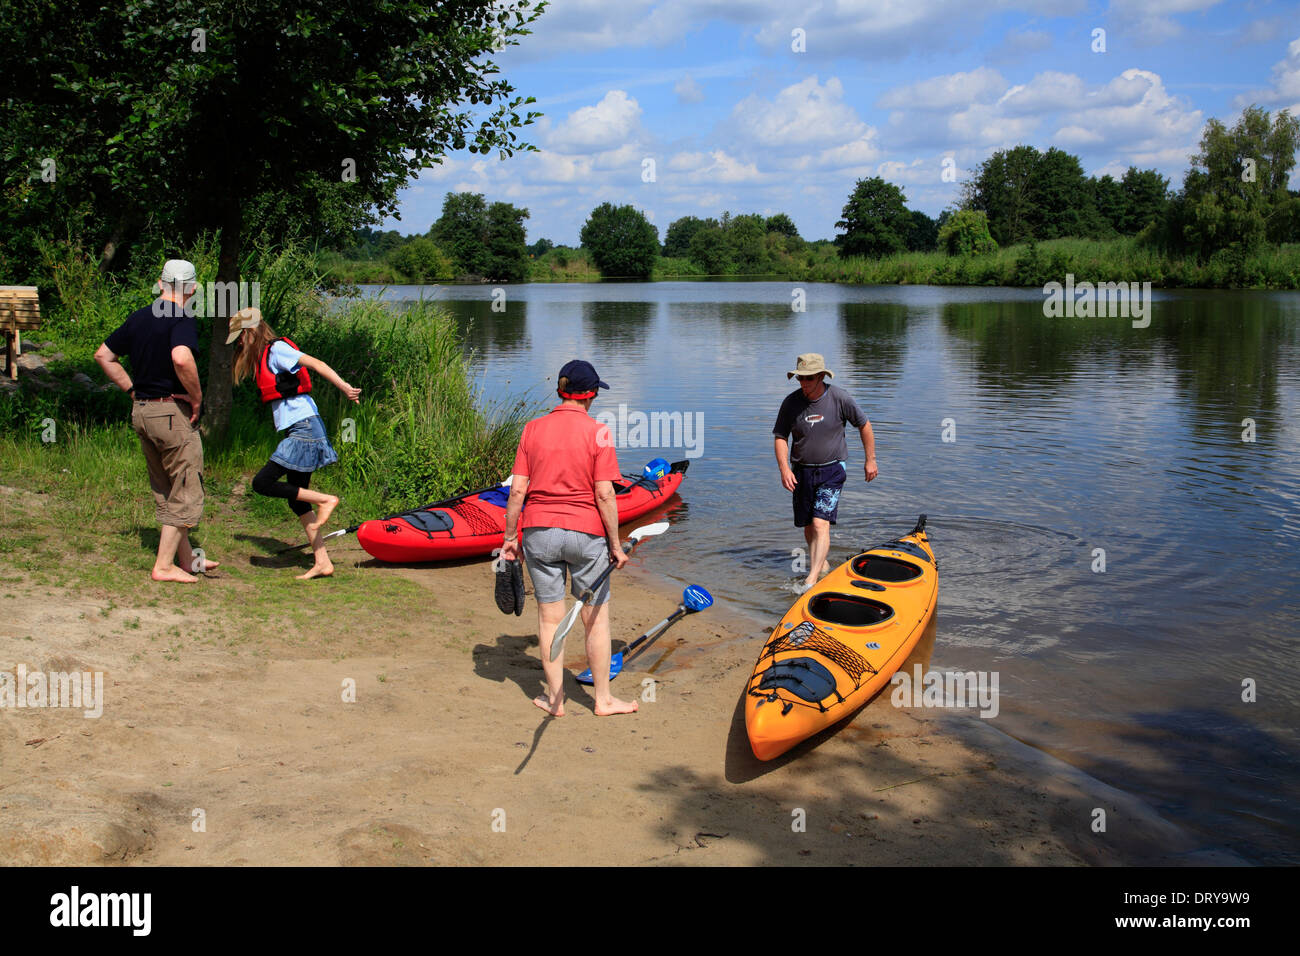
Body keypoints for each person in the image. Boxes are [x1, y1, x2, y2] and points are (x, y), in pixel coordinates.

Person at [498, 359, 637, 718]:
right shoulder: (599, 432)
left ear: (561, 391)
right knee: (596, 619)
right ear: (589, 395)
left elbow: (517, 491)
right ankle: (603, 701)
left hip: (539, 533)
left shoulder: (532, 429)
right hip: (586, 535)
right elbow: (605, 494)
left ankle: (555, 700)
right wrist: (616, 546)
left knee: (549, 619)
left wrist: (510, 537)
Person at [94, 260, 218, 582]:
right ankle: (163, 567)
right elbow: (181, 357)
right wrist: (197, 396)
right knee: (188, 488)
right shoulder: (182, 318)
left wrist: (132, 390)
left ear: (161, 285)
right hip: (170, 413)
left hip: (143, 413)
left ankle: (188, 558)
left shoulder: (139, 317)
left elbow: (103, 355)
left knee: (167, 486)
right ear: (191, 290)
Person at [226, 307, 360, 579]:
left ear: (250, 332)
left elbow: (317, 364)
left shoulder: (277, 350)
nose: (239, 343)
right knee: (298, 500)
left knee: (262, 483)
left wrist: (344, 387)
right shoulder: (265, 355)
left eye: (240, 337)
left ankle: (327, 499)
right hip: (298, 428)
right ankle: (322, 561)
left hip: (305, 428)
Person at [773, 353, 877, 591]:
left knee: (821, 524)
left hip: (832, 470)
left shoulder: (840, 398)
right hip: (801, 472)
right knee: (809, 526)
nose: (803, 383)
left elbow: (864, 425)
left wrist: (870, 460)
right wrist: (784, 468)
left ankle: (811, 581)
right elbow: (780, 436)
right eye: (800, 378)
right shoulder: (791, 403)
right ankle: (821, 564)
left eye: (808, 378)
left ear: (821, 376)